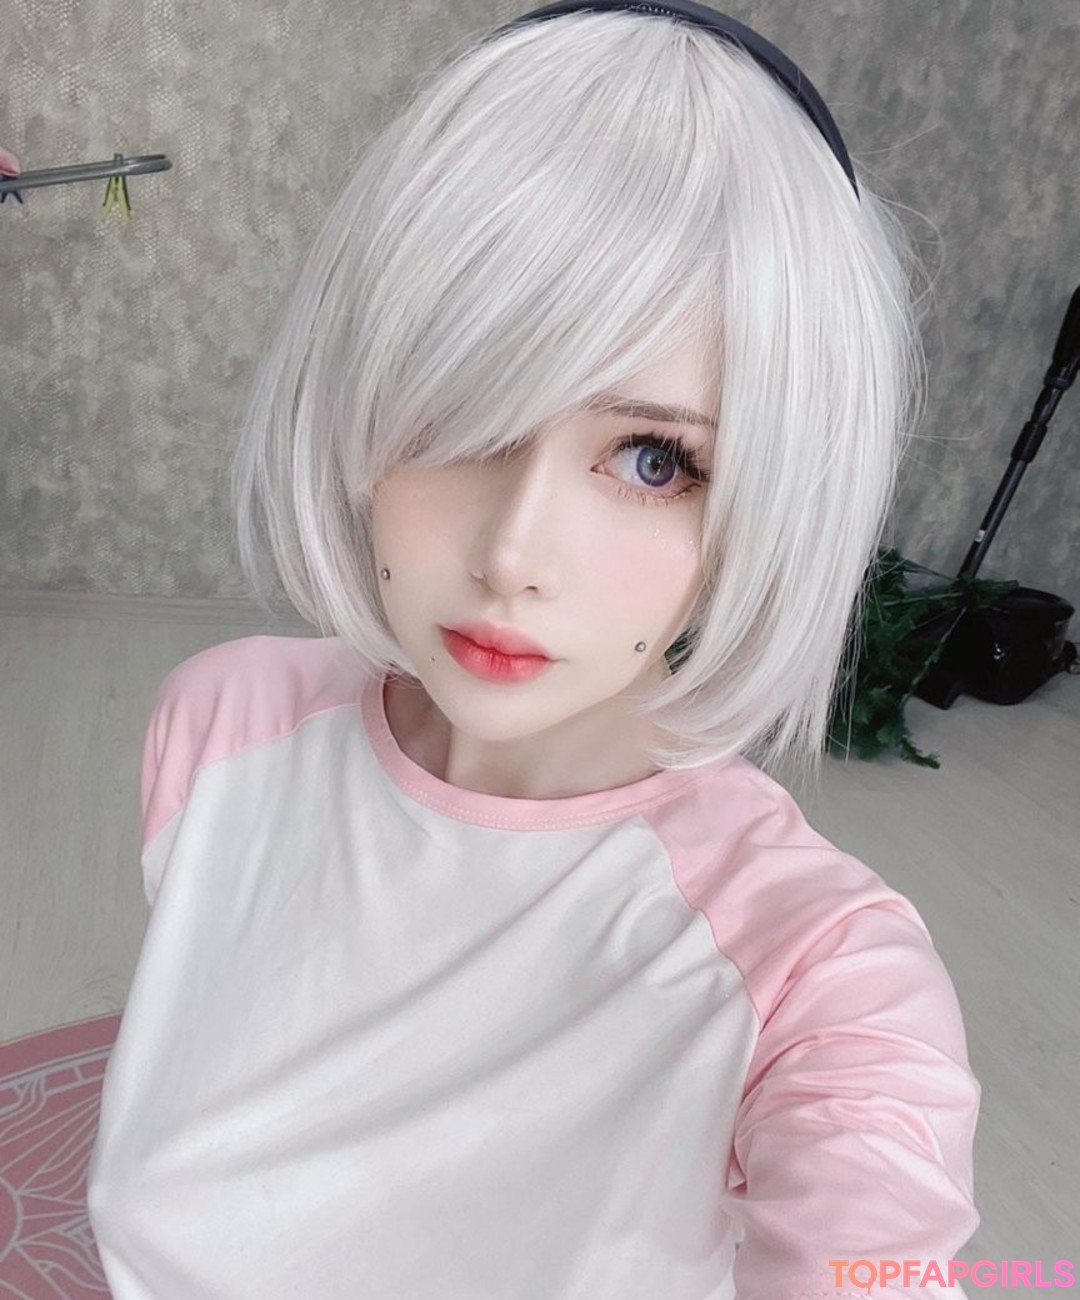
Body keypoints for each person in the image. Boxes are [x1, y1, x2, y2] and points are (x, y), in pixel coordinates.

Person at [85, 4, 981, 1297]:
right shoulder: (221, 733)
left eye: (654, 460)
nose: (512, 554)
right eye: (463, 412)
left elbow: (871, 1248)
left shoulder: (816, 973)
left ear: (773, 494)